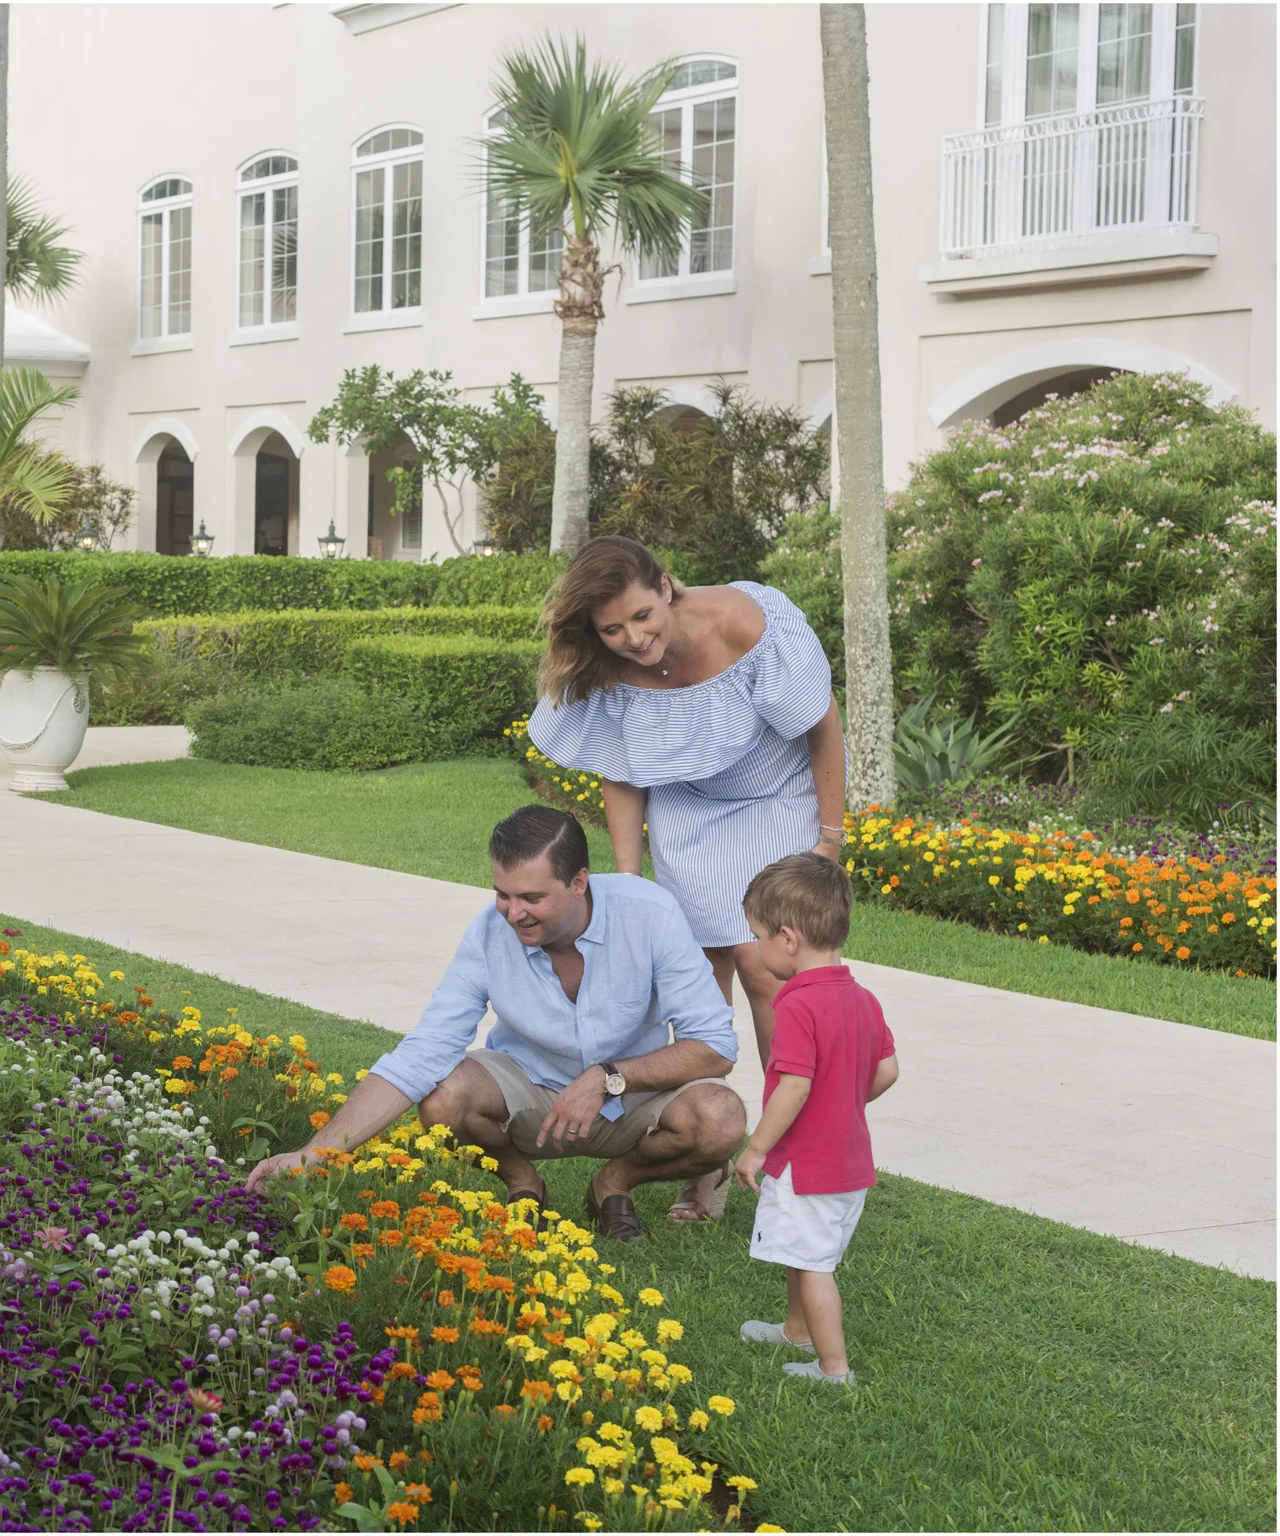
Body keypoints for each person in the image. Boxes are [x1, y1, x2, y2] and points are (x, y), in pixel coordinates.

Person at [241, 804, 746, 1243]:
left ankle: (612, 1185)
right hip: (532, 1087)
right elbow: (423, 1052)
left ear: (578, 882)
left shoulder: (650, 912)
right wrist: (314, 1154)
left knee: (721, 1118)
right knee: (443, 1096)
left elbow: (716, 1046)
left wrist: (608, 1075)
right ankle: (524, 1185)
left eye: (531, 898)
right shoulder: (488, 931)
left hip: (630, 1094)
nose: (512, 913)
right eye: (503, 894)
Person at [527, 536, 848, 1224]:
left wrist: (831, 837)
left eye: (642, 616)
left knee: (766, 971)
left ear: (666, 586)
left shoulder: (743, 623)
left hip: (775, 799)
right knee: (696, 981)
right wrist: (627, 882)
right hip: (686, 809)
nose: (633, 639)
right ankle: (705, 1169)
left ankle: (792, 1153)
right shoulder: (612, 667)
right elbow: (623, 770)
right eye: (612, 629)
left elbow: (823, 725)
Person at [731, 852, 898, 1386]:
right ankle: (795, 1330)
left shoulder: (796, 1006)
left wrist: (756, 1147)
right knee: (799, 1251)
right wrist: (843, 1102)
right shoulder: (862, 998)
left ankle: (833, 1367)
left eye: (756, 937)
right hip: (847, 1162)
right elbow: (888, 1070)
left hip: (809, 1165)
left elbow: (795, 1086)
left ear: (787, 938)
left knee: (813, 1264)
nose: (755, 949)